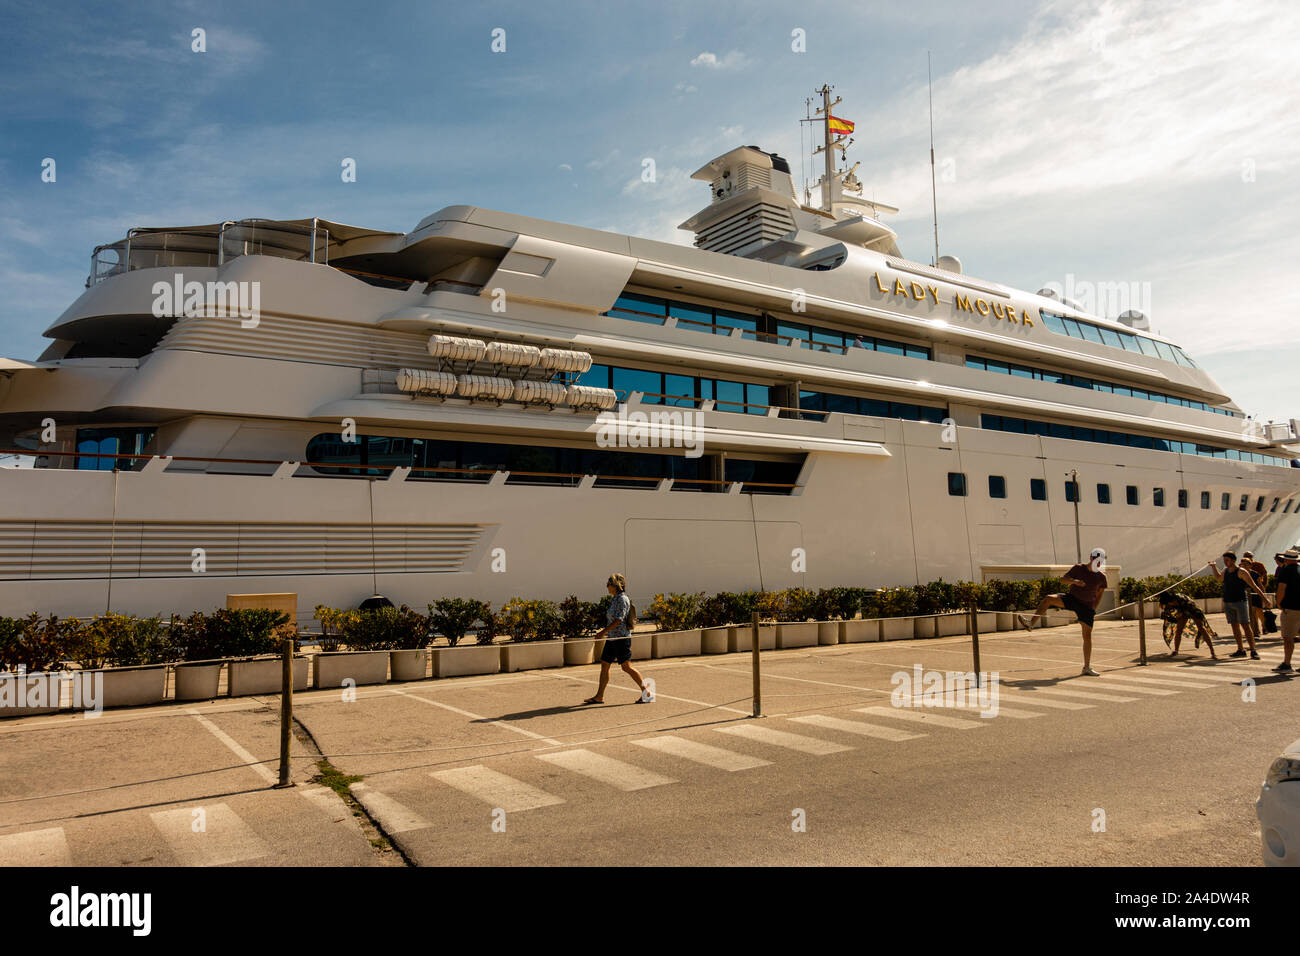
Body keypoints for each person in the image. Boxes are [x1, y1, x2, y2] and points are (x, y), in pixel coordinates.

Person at [1018, 547, 1109, 676]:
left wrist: (1094, 607)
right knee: (1048, 599)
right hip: (1072, 598)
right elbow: (1063, 579)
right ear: (1091, 558)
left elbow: (1100, 593)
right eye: (1096, 560)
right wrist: (1075, 582)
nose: (1098, 563)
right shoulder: (1079, 568)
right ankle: (1031, 623)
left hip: (1087, 606)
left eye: (1101, 561)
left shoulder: (1101, 577)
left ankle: (1087, 667)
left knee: (1087, 636)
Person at [582, 573, 650, 704]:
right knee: (605, 664)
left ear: (615, 585)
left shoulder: (622, 599)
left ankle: (646, 692)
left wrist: (603, 632)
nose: (606, 586)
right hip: (612, 638)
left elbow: (619, 619)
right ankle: (599, 696)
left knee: (626, 667)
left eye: (609, 584)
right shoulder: (615, 599)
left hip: (621, 638)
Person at [1207, 551, 1268, 660]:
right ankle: (1240, 649)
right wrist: (1214, 567)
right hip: (1228, 602)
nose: (1225, 562)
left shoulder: (1241, 572)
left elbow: (1254, 586)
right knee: (1234, 626)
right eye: (1224, 560)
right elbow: (1219, 579)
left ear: (1233, 560)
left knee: (1245, 625)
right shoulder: (1226, 571)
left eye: (1227, 560)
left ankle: (1253, 650)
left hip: (1240, 602)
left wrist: (1264, 598)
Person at [1157, 591, 1218, 660]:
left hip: (1193, 610)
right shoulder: (1168, 601)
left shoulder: (1181, 598)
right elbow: (1168, 611)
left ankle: (1212, 651)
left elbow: (1182, 611)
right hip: (1183, 612)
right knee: (1178, 630)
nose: (1170, 604)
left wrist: (1178, 615)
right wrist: (1167, 616)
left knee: (1201, 628)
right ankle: (1176, 650)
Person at [1272, 548, 1300, 674]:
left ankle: (1287, 664)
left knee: (1288, 637)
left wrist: (1278, 603)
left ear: (1287, 559)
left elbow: (1282, 588)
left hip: (1290, 607)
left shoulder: (1286, 570)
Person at [1242, 551, 1270, 638]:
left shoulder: (1258, 567)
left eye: (1249, 556)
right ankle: (1255, 631)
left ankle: (1264, 626)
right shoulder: (1240, 572)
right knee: (1252, 613)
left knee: (1259, 611)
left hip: (1256, 594)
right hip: (1247, 596)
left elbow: (1263, 578)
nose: (1244, 565)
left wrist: (1263, 594)